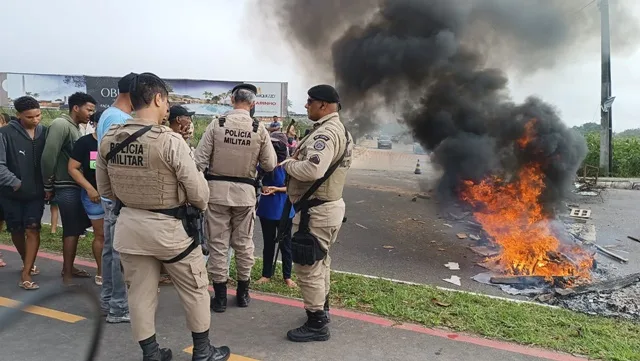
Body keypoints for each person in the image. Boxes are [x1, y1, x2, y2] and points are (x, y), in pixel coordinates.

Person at [96, 72, 230, 361]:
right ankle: (203, 351)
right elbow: (200, 196)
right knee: (195, 289)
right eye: (166, 100)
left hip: (130, 229)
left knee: (139, 296)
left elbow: (106, 190)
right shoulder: (169, 141)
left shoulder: (109, 139)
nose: (167, 106)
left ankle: (152, 354)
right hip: (172, 233)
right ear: (157, 98)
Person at [194, 83, 277, 313]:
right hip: (245, 195)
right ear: (253, 104)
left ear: (231, 101)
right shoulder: (259, 129)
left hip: (216, 194)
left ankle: (220, 298)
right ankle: (243, 294)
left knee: (218, 246)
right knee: (243, 244)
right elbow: (270, 164)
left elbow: (198, 161)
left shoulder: (217, 124)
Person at [280, 84, 353, 342]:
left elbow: (313, 170)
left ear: (323, 105)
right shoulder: (335, 129)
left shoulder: (327, 133)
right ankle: (321, 310)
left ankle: (317, 324)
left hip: (317, 213)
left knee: (307, 265)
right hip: (324, 209)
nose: (306, 105)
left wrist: (289, 164)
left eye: (309, 101)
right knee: (320, 263)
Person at [41, 92, 96, 284]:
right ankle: (67, 273)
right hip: (66, 186)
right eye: (88, 109)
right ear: (76, 107)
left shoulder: (76, 128)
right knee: (71, 229)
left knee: (78, 227)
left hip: (76, 186)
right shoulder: (61, 125)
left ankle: (69, 267)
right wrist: (48, 185)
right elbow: (49, 156)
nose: (90, 114)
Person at [96, 72, 136, 323]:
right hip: (119, 195)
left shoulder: (108, 114)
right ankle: (119, 307)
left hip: (110, 194)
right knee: (121, 252)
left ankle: (109, 300)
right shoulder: (120, 119)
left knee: (112, 250)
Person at [0, 97, 48, 289]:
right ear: (19, 115)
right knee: (17, 230)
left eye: (38, 115)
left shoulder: (45, 132)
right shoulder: (4, 134)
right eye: (30, 117)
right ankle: (26, 259)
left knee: (33, 229)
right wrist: (16, 183)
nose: (35, 120)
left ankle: (26, 273)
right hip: (11, 193)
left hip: (36, 194)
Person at [68, 109, 105, 286]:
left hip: (117, 197)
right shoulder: (85, 143)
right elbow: (73, 168)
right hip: (94, 197)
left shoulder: (120, 141)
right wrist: (90, 189)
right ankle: (101, 270)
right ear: (94, 123)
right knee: (101, 235)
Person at [255, 132, 296, 287]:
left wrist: (277, 189)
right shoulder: (264, 164)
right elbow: (256, 180)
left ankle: (287, 276)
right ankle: (266, 274)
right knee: (268, 243)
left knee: (286, 244)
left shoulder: (289, 165)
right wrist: (263, 186)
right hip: (267, 209)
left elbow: (293, 187)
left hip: (284, 209)